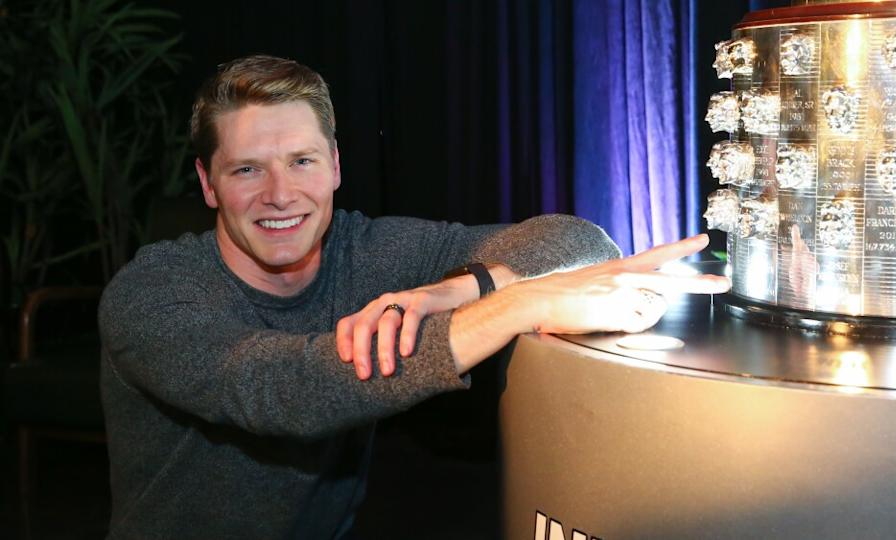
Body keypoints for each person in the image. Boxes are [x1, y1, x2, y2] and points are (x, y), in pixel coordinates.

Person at [98, 54, 729, 538]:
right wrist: (516, 305)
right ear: (208, 183)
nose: (281, 194)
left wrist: (461, 287)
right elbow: (283, 388)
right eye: (247, 170)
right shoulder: (151, 293)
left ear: (337, 166)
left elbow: (576, 238)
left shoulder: (367, 250)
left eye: (302, 162)